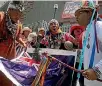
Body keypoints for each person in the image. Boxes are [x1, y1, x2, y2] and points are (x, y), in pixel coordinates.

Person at [75, 1, 102, 86]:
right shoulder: (85, 33)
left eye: (80, 13)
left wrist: (97, 70)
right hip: (89, 82)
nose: (77, 17)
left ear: (90, 13)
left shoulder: (99, 26)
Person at [0, 1, 25, 86]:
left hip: (10, 54)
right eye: (16, 13)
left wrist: (23, 43)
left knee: (8, 76)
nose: (18, 16)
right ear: (10, 10)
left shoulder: (18, 25)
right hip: (0, 52)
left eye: (20, 14)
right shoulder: (1, 17)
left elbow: (17, 37)